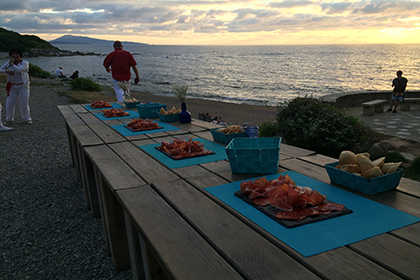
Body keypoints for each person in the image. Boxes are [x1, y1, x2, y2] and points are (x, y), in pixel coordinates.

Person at [0, 47, 32, 125]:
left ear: (20, 55)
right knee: (9, 103)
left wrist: (12, 65)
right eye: (13, 54)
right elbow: (0, 69)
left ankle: (27, 119)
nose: (15, 55)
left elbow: (19, 70)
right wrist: (6, 71)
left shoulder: (25, 63)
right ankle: (9, 119)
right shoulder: (9, 63)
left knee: (24, 103)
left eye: (16, 54)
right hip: (12, 87)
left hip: (23, 87)